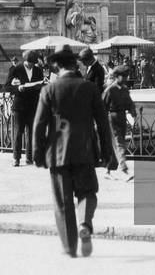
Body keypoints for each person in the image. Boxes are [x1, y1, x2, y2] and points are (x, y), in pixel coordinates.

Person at [33, 47, 112, 258]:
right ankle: (85, 222)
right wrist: (108, 154)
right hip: (85, 151)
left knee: (63, 202)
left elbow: (39, 126)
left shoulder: (49, 90)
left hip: (57, 155)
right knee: (87, 192)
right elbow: (103, 124)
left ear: (56, 65)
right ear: (75, 64)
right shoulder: (88, 88)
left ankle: (69, 246)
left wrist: (38, 154)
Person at [5, 50, 44, 167]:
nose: (31, 65)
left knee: (32, 132)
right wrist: (17, 88)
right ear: (25, 61)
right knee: (18, 133)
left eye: (33, 63)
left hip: (33, 105)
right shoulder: (16, 69)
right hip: (20, 106)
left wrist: (42, 85)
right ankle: (16, 158)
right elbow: (7, 86)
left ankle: (30, 157)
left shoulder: (38, 70)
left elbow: (41, 84)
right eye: (29, 63)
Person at [102, 64, 136, 181]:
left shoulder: (125, 89)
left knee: (116, 144)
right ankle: (124, 169)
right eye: (124, 76)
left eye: (126, 76)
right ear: (117, 76)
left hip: (122, 117)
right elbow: (103, 106)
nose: (126, 78)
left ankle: (108, 170)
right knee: (119, 143)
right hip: (112, 117)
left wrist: (133, 112)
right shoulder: (110, 90)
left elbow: (130, 103)